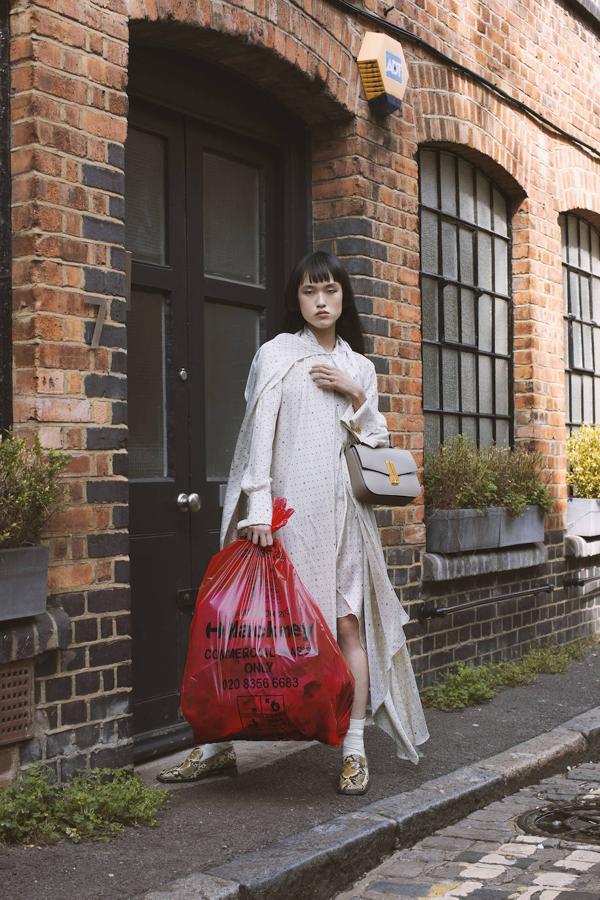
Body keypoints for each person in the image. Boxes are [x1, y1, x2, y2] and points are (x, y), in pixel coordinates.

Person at [158, 251, 429, 794]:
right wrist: (257, 509)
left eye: (330, 290)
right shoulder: (277, 354)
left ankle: (354, 750)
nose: (321, 301)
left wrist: (355, 394)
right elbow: (260, 435)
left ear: (344, 296)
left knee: (346, 625)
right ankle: (213, 746)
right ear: (296, 299)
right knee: (246, 628)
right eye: (310, 292)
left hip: (346, 519)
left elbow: (375, 444)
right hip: (287, 516)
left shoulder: (360, 367)